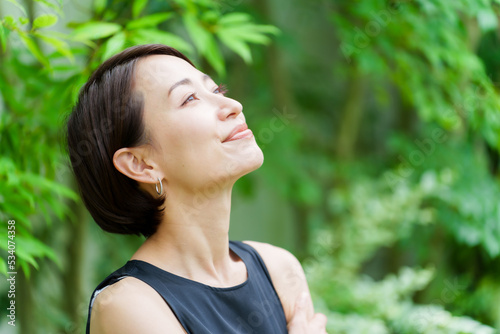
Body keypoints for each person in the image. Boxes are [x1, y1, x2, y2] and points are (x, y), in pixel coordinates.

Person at [67, 44, 327, 334]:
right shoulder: (128, 305)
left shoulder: (279, 269)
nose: (233, 106)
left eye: (216, 90)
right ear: (141, 164)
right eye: (189, 98)